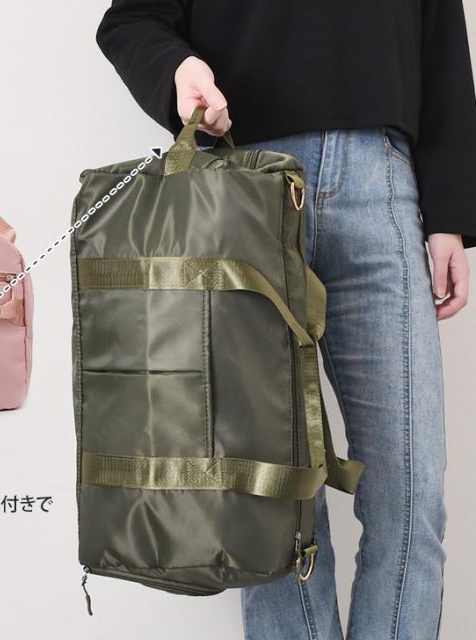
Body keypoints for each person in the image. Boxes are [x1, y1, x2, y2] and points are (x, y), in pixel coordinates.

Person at [95, 2, 475, 638]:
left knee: (412, 495)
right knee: (271, 501)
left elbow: (440, 37)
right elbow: (132, 18)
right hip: (244, 187)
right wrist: (180, 69)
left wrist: (449, 214)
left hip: (383, 186)